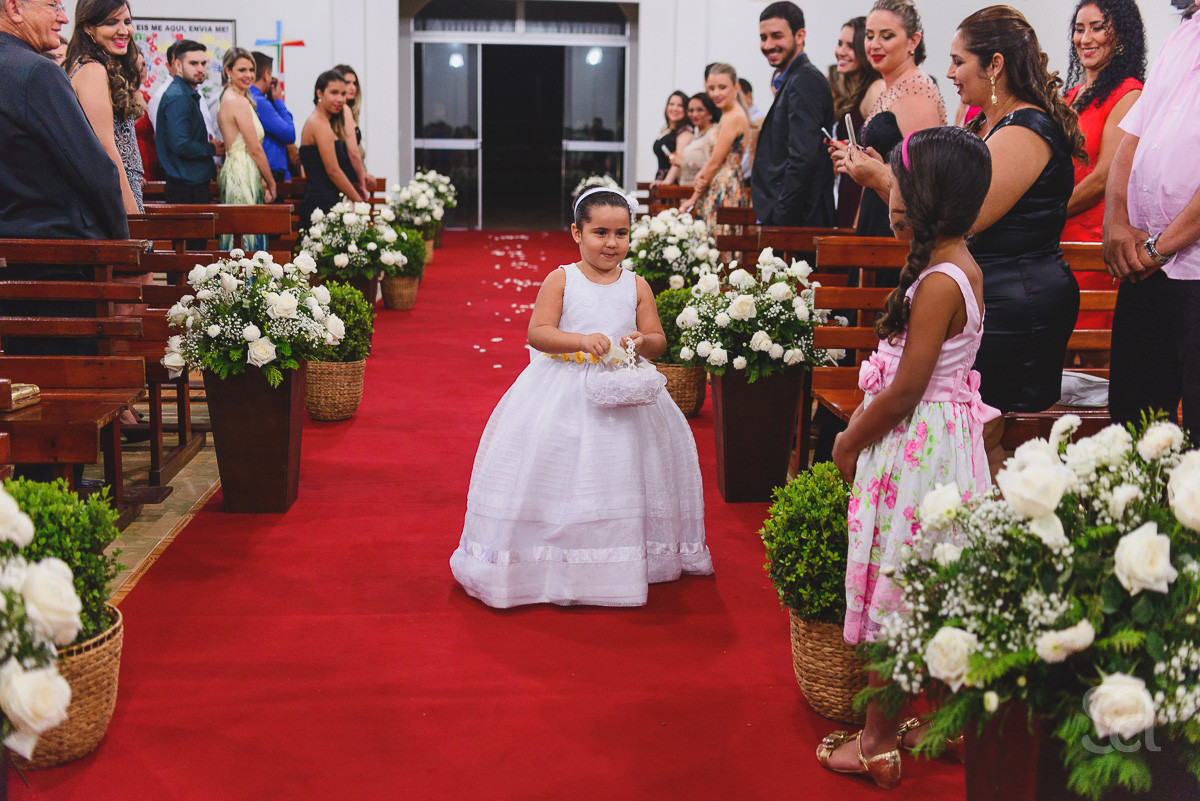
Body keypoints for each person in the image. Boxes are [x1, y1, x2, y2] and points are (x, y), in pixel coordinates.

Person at [820, 126, 996, 788]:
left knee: (894, 592)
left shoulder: (939, 282)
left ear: (921, 195)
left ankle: (875, 742)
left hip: (914, 449)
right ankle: (941, 725)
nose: (889, 190)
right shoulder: (961, 263)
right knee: (938, 589)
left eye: (897, 180)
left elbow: (903, 391)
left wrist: (847, 438)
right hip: (949, 449)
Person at [449, 187, 712, 608]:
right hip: (565, 386)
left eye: (621, 233)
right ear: (576, 232)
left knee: (626, 472)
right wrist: (580, 339)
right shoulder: (562, 278)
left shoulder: (637, 284)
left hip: (625, 393)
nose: (611, 243)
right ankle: (558, 557)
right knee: (562, 473)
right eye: (600, 232)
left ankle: (625, 556)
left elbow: (659, 340)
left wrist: (642, 341)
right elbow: (538, 332)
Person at [949, 6, 1085, 461]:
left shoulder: (1026, 129)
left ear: (995, 65)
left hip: (1019, 301)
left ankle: (1002, 526)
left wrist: (885, 181)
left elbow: (967, 217)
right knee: (975, 429)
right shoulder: (990, 123)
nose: (950, 73)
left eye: (959, 61)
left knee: (992, 430)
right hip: (995, 291)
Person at [1103, 3, 1200, 440]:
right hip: (1146, 267)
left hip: (1188, 267)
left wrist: (1160, 247)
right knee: (1133, 420)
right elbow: (1134, 136)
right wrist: (1115, 221)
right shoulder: (1179, 38)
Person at [1062, 0, 1145, 331]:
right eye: (1079, 29)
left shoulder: (1129, 93)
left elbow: (1104, 177)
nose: (1086, 39)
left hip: (1094, 242)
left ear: (1120, 36)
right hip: (1058, 240)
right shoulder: (1071, 96)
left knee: (1094, 352)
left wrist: (1047, 213)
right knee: (1061, 351)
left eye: (1097, 28)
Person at [831, 0, 946, 238]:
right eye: (870, 36)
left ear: (913, 41)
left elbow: (923, 180)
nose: (874, 45)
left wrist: (873, 170)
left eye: (887, 36)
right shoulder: (890, 88)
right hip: (879, 212)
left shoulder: (915, 89)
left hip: (899, 229)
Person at [752, 1, 836, 227]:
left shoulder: (804, 80)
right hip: (793, 216)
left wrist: (781, 216)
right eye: (763, 37)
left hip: (800, 221)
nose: (768, 45)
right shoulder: (793, 79)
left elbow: (802, 157)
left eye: (776, 36)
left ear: (800, 36)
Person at [64, 0, 143, 214]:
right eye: (111, 23)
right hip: (114, 195)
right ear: (88, 27)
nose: (123, 31)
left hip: (114, 190)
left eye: (127, 21)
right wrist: (134, 216)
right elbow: (106, 149)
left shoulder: (88, 65)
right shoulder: (92, 70)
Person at [216, 47, 275, 252]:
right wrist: (271, 181)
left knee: (239, 234)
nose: (249, 75)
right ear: (228, 71)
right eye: (242, 70)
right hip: (242, 171)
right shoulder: (238, 101)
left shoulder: (227, 96)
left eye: (251, 69)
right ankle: (247, 283)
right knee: (246, 235)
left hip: (236, 168)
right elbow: (255, 149)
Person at [683, 63, 750, 231]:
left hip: (725, 186)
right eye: (712, 88)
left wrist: (693, 198)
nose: (716, 93)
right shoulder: (727, 114)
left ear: (735, 87)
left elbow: (715, 163)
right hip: (721, 182)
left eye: (722, 87)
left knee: (719, 244)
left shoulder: (733, 117)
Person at [832, 16, 884, 228]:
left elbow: (878, 152)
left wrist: (859, 221)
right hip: (848, 186)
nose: (841, 52)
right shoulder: (854, 92)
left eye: (851, 46)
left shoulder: (876, 89)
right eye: (840, 43)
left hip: (862, 194)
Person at [297, 69, 362, 228]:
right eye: (334, 93)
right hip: (320, 204)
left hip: (330, 200)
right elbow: (333, 171)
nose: (340, 99)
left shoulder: (327, 122)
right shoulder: (318, 123)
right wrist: (359, 200)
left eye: (343, 94)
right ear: (320, 93)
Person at [155, 39, 216, 205]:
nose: (200, 69)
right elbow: (181, 144)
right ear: (178, 65)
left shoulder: (186, 92)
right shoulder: (179, 97)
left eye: (203, 63)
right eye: (194, 63)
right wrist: (212, 148)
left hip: (191, 183)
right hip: (186, 187)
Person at [249, 51, 297, 186]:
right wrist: (278, 101)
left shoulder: (248, 98)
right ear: (266, 74)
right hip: (269, 171)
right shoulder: (259, 102)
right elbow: (289, 134)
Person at [333, 63, 371, 199]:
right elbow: (352, 152)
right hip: (344, 183)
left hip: (350, 180)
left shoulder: (348, 111)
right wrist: (362, 182)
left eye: (354, 83)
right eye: (347, 82)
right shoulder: (342, 110)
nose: (352, 87)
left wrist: (363, 173)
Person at [676, 92, 718, 187]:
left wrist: (682, 161)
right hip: (686, 190)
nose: (694, 114)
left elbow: (714, 164)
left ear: (710, 111)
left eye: (700, 110)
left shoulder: (713, 133)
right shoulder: (694, 134)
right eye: (690, 110)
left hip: (702, 191)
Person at [650, 90, 691, 186]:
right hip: (661, 179)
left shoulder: (685, 132)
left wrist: (667, 182)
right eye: (671, 104)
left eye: (680, 105)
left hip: (672, 183)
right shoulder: (667, 130)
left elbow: (677, 162)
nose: (674, 108)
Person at [738, 77, 766, 181]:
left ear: (748, 95)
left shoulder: (758, 120)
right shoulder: (739, 117)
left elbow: (749, 152)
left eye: (738, 95)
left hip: (749, 177)